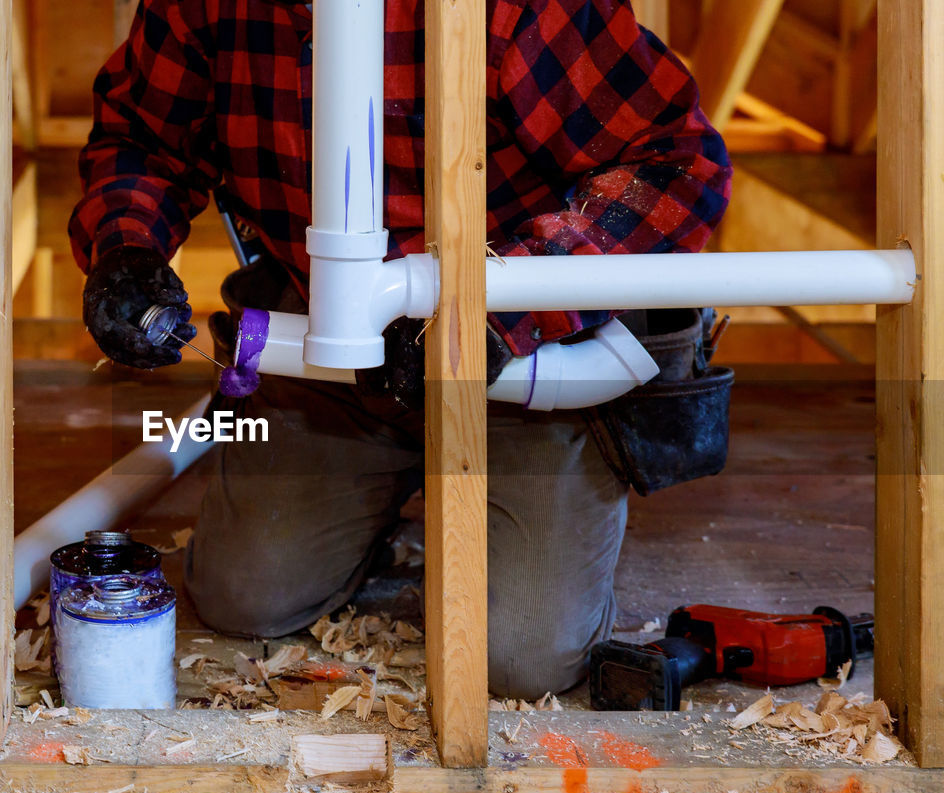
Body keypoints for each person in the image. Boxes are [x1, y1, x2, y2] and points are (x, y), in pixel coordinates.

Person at [70, 0, 732, 697]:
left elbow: (676, 165)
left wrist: (498, 311)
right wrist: (126, 247)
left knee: (523, 662)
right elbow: (143, 138)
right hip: (332, 342)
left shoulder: (512, 9)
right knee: (246, 598)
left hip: (521, 349)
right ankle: (384, 488)